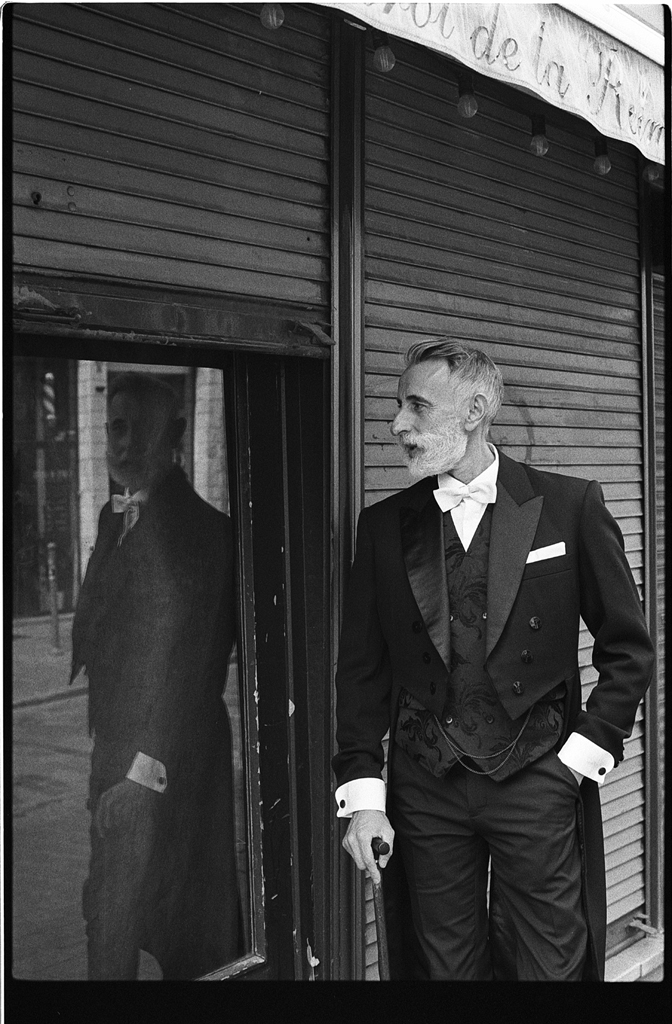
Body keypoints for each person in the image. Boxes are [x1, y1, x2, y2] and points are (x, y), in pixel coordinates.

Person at [333, 338, 654, 981]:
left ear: (475, 410)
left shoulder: (570, 506)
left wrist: (580, 759)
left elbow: (627, 647)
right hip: (427, 787)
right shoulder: (384, 526)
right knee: (444, 968)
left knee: (551, 964)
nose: (398, 423)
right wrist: (365, 796)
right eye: (399, 405)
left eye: (417, 406)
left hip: (537, 778)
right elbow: (362, 672)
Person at [71, 372, 240, 980]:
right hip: (113, 754)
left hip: (173, 765)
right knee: (109, 917)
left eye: (140, 428)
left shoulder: (209, 534)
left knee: (183, 935)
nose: (124, 442)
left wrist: (142, 777)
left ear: (175, 437)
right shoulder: (109, 519)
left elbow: (192, 673)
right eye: (116, 427)